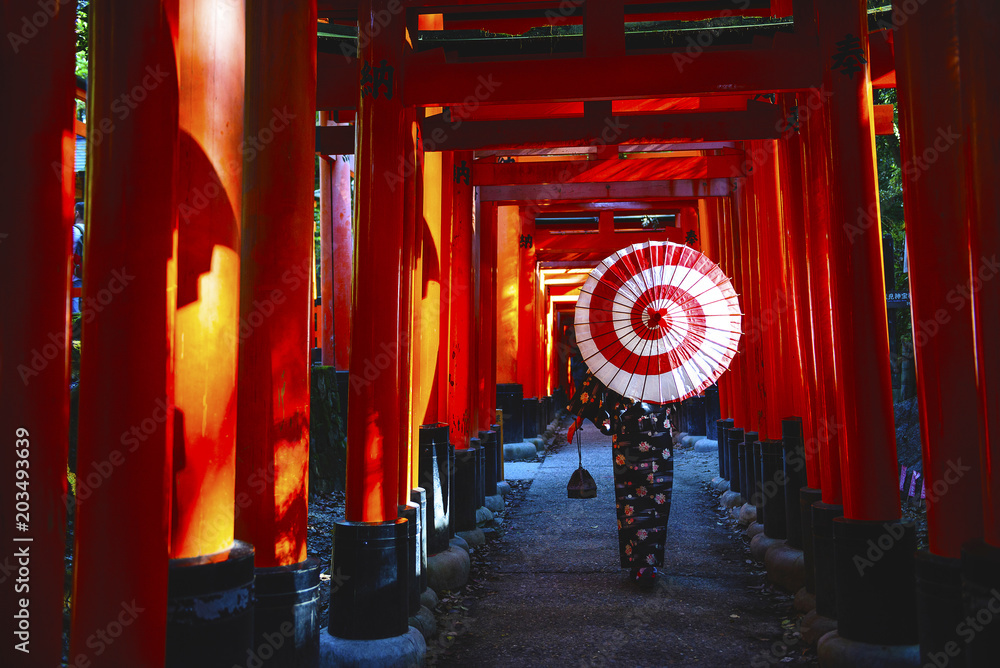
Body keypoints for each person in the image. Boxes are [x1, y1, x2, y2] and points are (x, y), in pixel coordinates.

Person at [566, 371, 673, 589]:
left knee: (631, 498)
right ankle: (648, 564)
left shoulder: (617, 354)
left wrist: (580, 417)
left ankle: (638, 563)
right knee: (656, 497)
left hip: (628, 432)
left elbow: (594, 380)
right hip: (659, 430)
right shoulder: (665, 356)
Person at [72, 202, 85, 313]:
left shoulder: (74, 231)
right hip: (88, 272)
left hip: (76, 272)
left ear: (77, 213)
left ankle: (75, 325)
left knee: (74, 301)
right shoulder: (94, 230)